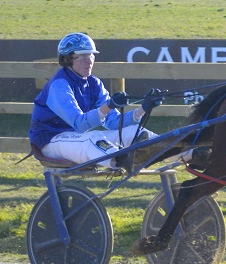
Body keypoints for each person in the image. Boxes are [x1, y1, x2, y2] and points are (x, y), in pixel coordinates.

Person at [28, 32, 161, 171]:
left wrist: (143, 108)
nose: (89, 60)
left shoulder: (94, 83)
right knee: (93, 137)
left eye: (91, 55)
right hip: (50, 142)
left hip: (76, 140)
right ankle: (123, 160)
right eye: (83, 56)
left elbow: (114, 122)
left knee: (134, 132)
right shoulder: (59, 85)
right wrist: (108, 105)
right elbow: (79, 124)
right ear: (67, 59)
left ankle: (179, 151)